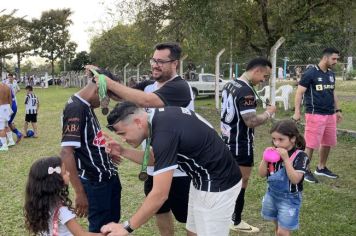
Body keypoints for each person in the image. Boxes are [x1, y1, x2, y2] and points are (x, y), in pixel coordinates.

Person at [101, 102, 242, 236]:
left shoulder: (163, 134)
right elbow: (155, 158)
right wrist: (123, 151)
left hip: (218, 185)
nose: (124, 139)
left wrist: (126, 227)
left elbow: (159, 195)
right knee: (194, 230)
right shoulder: (158, 118)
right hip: (201, 178)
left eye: (123, 134)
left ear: (137, 122)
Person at [96, 42, 193, 236]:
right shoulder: (149, 85)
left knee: (190, 219)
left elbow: (146, 101)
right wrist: (100, 77)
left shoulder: (180, 87)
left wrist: (107, 80)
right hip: (152, 162)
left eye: (161, 61)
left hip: (180, 169)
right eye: (153, 60)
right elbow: (121, 95)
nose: (155, 65)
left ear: (175, 63)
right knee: (160, 210)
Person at [60, 68, 122, 232]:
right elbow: (67, 152)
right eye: (106, 96)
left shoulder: (86, 106)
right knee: (99, 227)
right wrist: (80, 192)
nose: (105, 102)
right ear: (98, 89)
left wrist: (106, 153)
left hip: (108, 175)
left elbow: (90, 139)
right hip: (95, 182)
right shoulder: (76, 108)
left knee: (112, 224)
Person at [220, 57, 277, 233]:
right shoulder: (246, 91)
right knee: (241, 182)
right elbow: (251, 121)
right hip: (240, 143)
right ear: (256, 70)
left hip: (227, 140)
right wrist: (268, 113)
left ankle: (225, 215)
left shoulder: (231, 84)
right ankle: (234, 220)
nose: (264, 80)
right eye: (264, 76)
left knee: (228, 179)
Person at [293, 47, 342, 183]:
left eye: (337, 59)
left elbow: (333, 92)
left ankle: (321, 168)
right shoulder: (311, 73)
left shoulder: (331, 74)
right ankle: (305, 170)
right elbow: (299, 92)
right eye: (334, 58)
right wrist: (297, 111)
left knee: (327, 142)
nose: (336, 61)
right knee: (311, 144)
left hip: (330, 114)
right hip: (315, 114)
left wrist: (337, 110)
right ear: (325, 58)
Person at [24, 156, 104, 236]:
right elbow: (81, 234)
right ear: (55, 180)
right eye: (65, 172)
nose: (68, 173)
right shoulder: (62, 211)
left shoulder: (40, 204)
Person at [258, 120, 309, 235]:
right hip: (271, 194)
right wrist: (264, 159)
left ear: (293, 139)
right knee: (277, 225)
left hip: (289, 198)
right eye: (274, 139)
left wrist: (286, 160)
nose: (276, 143)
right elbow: (261, 174)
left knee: (283, 231)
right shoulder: (273, 154)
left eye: (281, 139)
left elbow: (295, 180)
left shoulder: (300, 156)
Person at [4, 73, 22, 144]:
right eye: (8, 77)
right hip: (12, 104)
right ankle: (18, 134)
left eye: (10, 77)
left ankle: (5, 141)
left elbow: (18, 90)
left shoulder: (11, 84)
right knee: (9, 122)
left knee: (6, 123)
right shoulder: (6, 83)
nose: (9, 78)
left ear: (12, 77)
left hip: (11, 105)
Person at [0, 82, 13, 151]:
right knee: (6, 125)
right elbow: (10, 99)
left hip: (1, 107)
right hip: (7, 107)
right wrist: (9, 108)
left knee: (1, 128)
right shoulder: (7, 86)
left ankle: (4, 145)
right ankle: (11, 141)